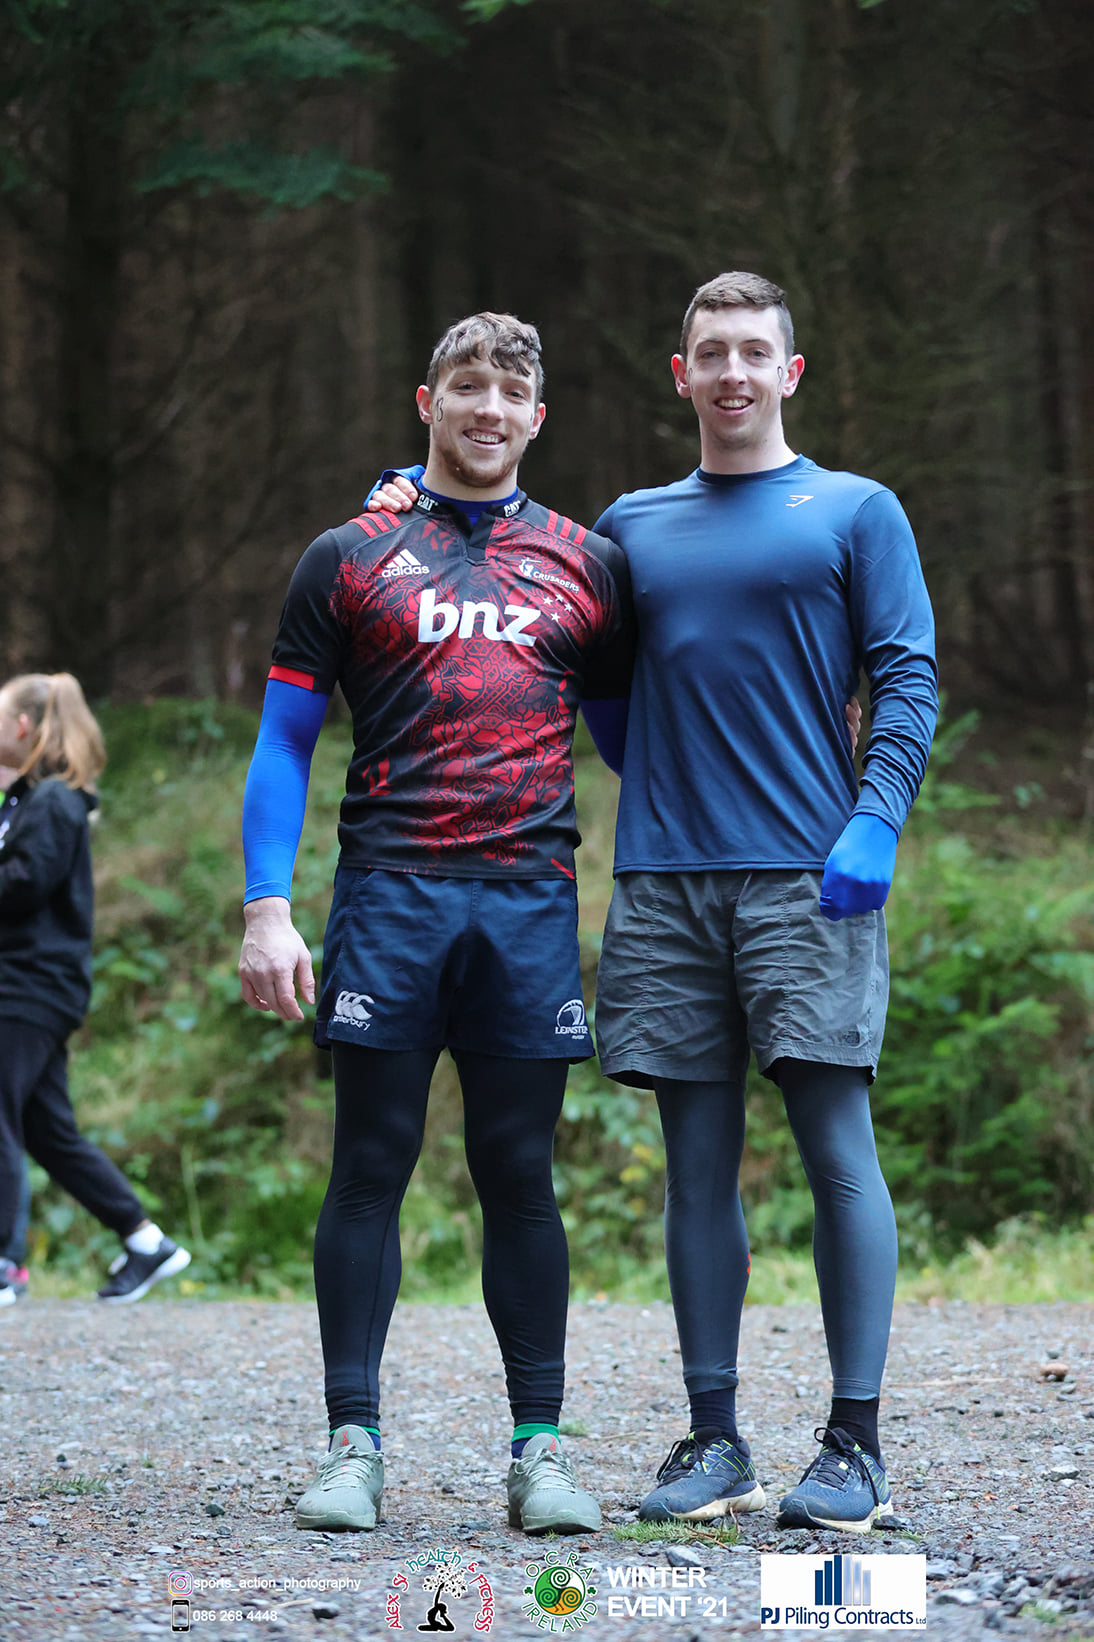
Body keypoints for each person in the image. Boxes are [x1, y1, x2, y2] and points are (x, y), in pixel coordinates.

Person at [368, 272, 938, 1535]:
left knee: (834, 1146)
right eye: (708, 353)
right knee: (695, 1165)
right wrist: (403, 497)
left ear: (787, 372)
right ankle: (714, 1438)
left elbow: (906, 677)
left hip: (807, 879)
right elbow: (560, 632)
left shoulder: (856, 511)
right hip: (664, 882)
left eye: (752, 352)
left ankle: (853, 1445)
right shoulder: (630, 528)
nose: (731, 371)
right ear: (678, 375)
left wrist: (872, 816)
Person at [238, 312, 633, 1534]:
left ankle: (538, 1452)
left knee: (519, 1171)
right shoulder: (347, 556)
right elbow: (284, 743)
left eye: (509, 391)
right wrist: (265, 907)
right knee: (370, 1163)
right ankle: (350, 1447)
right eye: (466, 386)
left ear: (536, 417)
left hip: (526, 901)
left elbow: (634, 741)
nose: (486, 408)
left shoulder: (587, 563)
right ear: (427, 401)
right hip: (389, 896)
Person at [0, 674, 192, 1305]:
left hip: (26, 985)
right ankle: (145, 1241)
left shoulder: (53, 801)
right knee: (46, 1128)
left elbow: (24, 882)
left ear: (22, 726)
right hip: (31, 984)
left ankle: (3, 1263)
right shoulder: (29, 800)